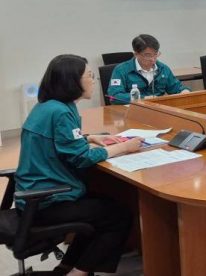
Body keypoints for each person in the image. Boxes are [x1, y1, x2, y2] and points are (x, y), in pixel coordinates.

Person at [16, 55, 143, 276]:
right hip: (48, 201)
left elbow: (59, 141)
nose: (93, 80)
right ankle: (78, 273)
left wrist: (89, 137)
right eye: (89, 75)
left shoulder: (49, 106)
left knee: (105, 206)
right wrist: (124, 147)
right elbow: (81, 158)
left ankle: (65, 267)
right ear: (72, 81)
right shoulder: (61, 112)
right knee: (118, 216)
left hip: (36, 196)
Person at [107, 34, 189, 104]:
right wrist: (143, 98)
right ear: (136, 54)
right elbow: (114, 96)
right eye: (148, 55)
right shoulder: (121, 70)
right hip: (131, 111)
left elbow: (177, 88)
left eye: (155, 54)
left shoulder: (163, 69)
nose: (153, 59)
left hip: (158, 110)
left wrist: (184, 91)